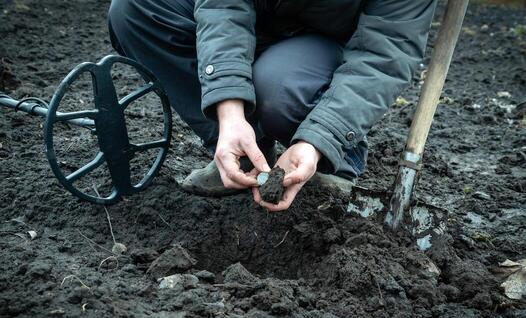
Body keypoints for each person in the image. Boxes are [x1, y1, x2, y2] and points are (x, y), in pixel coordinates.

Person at [107, 0, 437, 211]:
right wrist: (230, 112)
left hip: (324, 46)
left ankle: (328, 160)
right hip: (256, 18)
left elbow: (384, 55)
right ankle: (245, 158)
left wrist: (318, 139)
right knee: (134, 11)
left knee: (277, 88)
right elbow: (223, 8)